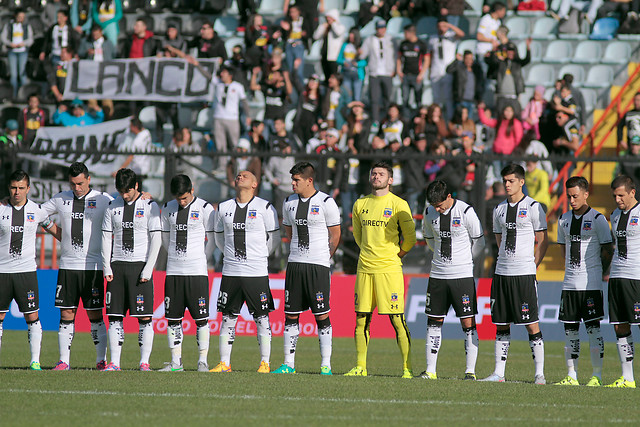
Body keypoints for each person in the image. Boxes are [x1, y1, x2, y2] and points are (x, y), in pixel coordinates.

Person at [345, 162, 417, 378]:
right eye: (374, 173)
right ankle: (360, 367)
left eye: (381, 174)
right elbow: (358, 236)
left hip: (389, 270)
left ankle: (407, 368)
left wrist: (397, 255)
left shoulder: (399, 204)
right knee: (361, 318)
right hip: (365, 268)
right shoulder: (360, 204)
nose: (376, 177)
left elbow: (411, 237)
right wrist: (369, 252)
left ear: (391, 180)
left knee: (397, 319)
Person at [481, 163, 548, 384]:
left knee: (532, 324)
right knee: (501, 323)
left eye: (511, 181)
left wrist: (533, 265)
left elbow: (542, 240)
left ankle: (539, 374)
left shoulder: (533, 207)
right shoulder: (498, 209)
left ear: (521, 181)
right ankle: (498, 373)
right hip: (502, 274)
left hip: (524, 274)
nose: (507, 185)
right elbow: (499, 240)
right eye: (505, 181)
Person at [42, 162, 113, 370]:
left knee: (94, 315)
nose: (77, 188)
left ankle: (101, 360)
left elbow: (125, 206)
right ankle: (64, 361)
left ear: (89, 179)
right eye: (73, 184)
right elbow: (37, 213)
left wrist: (144, 195)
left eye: (80, 183)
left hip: (93, 267)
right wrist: (56, 232)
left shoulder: (103, 199)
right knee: (66, 314)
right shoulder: (61, 198)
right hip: (68, 267)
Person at [272, 162, 341, 374]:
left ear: (309, 180)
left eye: (296, 180)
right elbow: (289, 233)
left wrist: (323, 257)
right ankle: (288, 364)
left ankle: (326, 364)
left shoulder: (326, 202)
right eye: (292, 179)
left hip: (318, 267)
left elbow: (335, 234)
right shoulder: (288, 202)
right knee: (291, 314)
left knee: (321, 315)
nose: (292, 183)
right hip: (295, 265)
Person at [210, 171, 279, 373]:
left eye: (246, 175)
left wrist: (259, 257)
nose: (240, 176)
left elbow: (274, 239)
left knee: (261, 317)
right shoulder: (223, 207)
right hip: (231, 271)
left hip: (256, 272)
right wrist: (231, 256)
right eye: (238, 175)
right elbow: (218, 239)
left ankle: (265, 363)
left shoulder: (265, 207)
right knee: (227, 317)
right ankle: (224, 363)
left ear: (255, 184)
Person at [422, 180, 485, 380]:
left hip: (462, 276)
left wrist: (465, 261)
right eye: (434, 206)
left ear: (449, 197)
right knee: (434, 322)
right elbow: (429, 239)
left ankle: (470, 372)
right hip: (438, 275)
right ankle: (430, 371)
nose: (437, 209)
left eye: (440, 205)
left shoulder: (466, 212)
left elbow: (480, 242)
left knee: (468, 323)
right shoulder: (429, 213)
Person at [101, 168, 162, 371]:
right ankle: (115, 363)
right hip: (117, 266)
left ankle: (144, 362)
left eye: (127, 191)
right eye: (121, 191)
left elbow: (156, 239)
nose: (124, 195)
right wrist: (106, 265)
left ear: (136, 186)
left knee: (144, 318)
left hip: (139, 267)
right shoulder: (112, 206)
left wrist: (148, 269)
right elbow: (105, 238)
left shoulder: (149, 205)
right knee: (115, 317)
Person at [554, 176, 613, 386]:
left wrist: (598, 270)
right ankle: (571, 375)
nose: (571, 200)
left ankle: (596, 375)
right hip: (569, 284)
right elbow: (563, 247)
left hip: (591, 284)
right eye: (569, 196)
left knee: (593, 329)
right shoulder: (563, 219)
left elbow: (608, 249)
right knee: (570, 330)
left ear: (586, 194)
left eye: (575, 196)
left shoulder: (597, 219)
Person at [0, 170, 59, 370]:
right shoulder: (0, 208)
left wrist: (73, 244)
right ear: (9, 188)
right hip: (2, 272)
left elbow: (54, 229)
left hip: (26, 273)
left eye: (21, 188)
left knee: (32, 316)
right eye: (13, 188)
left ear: (28, 189)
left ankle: (35, 361)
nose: (17, 192)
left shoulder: (37, 210)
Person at [160, 174, 215, 372]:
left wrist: (202, 258)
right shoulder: (167, 208)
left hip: (197, 272)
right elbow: (165, 240)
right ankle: (176, 362)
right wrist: (175, 257)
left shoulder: (205, 208)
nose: (181, 202)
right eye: (178, 199)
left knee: (201, 319)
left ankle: (203, 361)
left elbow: (212, 240)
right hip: (174, 271)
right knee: (173, 319)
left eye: (185, 198)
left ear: (192, 191)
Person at [606, 175, 640, 388]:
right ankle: (627, 378)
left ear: (632, 192)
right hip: (617, 276)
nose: (617, 199)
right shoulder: (615, 215)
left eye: (621, 195)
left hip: (636, 276)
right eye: (614, 195)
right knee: (620, 325)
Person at [424, 20, 464, 120]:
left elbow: (461, 34)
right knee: (436, 98)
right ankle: (436, 120)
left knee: (448, 98)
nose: (442, 28)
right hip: (435, 70)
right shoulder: (432, 38)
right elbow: (430, 55)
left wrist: (450, 25)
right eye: (440, 26)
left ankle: (449, 119)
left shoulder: (451, 36)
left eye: (444, 26)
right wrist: (429, 71)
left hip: (448, 70)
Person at [213, 66, 250, 170]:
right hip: (218, 116)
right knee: (220, 144)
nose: (221, 75)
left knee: (234, 143)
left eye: (224, 73)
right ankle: (222, 166)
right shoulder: (218, 84)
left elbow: (244, 102)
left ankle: (236, 166)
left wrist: (248, 115)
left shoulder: (237, 86)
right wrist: (197, 64)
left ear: (230, 75)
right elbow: (207, 76)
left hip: (232, 118)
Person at [360, 20, 396, 127]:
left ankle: (386, 118)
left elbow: (396, 56)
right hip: (374, 73)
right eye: (379, 28)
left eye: (383, 28)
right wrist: (359, 52)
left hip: (387, 72)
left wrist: (394, 69)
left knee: (387, 97)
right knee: (374, 98)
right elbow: (363, 54)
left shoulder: (391, 39)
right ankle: (375, 120)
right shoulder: (369, 40)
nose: (381, 30)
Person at [397, 24, 429, 120]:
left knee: (418, 100)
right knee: (405, 99)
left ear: (411, 33)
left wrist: (421, 74)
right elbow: (399, 58)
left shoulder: (421, 44)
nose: (404, 35)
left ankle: (418, 119)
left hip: (417, 76)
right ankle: (406, 119)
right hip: (406, 75)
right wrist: (399, 71)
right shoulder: (403, 44)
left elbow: (427, 60)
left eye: (405, 32)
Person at [1, 8, 34, 99]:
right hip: (12, 52)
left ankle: (24, 95)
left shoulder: (27, 26)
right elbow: (3, 37)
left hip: (23, 52)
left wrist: (24, 43)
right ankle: (14, 95)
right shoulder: (9, 25)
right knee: (14, 75)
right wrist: (10, 44)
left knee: (22, 74)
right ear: (15, 16)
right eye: (19, 17)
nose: (21, 19)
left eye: (23, 17)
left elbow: (31, 39)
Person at [113, 118, 153, 184]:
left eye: (130, 126)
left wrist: (119, 170)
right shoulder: (147, 133)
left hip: (137, 170)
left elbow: (131, 157)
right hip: (146, 168)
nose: (130, 128)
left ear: (134, 127)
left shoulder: (137, 141)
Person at [313, 9, 345, 82]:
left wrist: (333, 23)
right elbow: (316, 36)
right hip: (324, 55)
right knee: (326, 77)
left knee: (334, 77)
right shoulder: (325, 27)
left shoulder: (340, 27)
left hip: (334, 57)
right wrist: (322, 27)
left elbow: (338, 32)